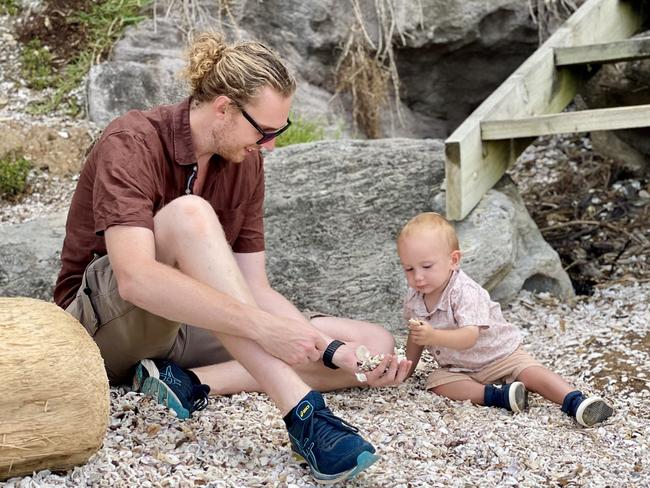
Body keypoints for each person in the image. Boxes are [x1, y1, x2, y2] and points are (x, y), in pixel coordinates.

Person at [54, 32, 410, 483]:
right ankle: (303, 413)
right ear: (222, 107)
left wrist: (332, 349)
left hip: (191, 324)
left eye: (279, 131)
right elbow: (136, 279)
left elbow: (253, 288)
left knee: (372, 344)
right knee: (189, 215)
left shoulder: (246, 164)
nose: (270, 146)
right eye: (264, 131)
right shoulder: (132, 140)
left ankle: (187, 382)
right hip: (105, 326)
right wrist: (265, 329)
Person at [397, 212, 614, 427]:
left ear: (453, 260)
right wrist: (407, 369)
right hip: (459, 368)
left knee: (530, 372)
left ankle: (575, 401)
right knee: (437, 383)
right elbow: (416, 336)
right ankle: (499, 396)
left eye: (426, 267)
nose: (418, 277)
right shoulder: (416, 297)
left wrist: (433, 336)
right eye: (409, 269)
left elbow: (469, 337)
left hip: (500, 356)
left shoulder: (464, 292)